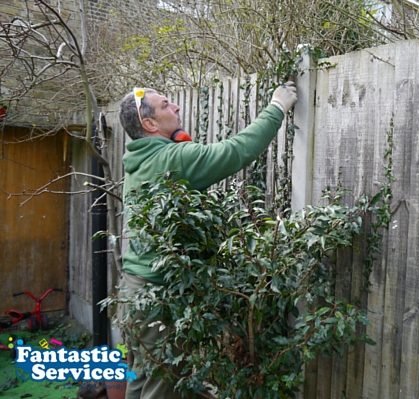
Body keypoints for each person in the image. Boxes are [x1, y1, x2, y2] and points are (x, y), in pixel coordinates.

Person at [117, 81, 297, 399]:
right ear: (150, 124)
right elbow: (236, 151)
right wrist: (276, 108)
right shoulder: (173, 159)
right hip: (159, 299)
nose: (175, 107)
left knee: (140, 380)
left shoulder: (139, 162)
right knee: (162, 389)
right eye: (165, 105)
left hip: (132, 294)